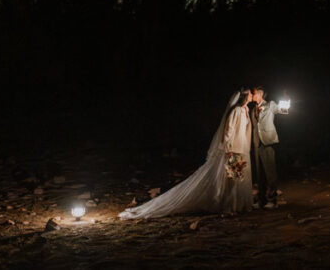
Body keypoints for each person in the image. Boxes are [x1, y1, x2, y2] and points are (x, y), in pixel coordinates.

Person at [118, 89, 253, 219]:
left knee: (237, 178)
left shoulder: (245, 110)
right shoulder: (236, 111)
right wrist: (228, 149)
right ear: (245, 98)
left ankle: (238, 205)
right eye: (250, 95)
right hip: (234, 149)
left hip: (241, 148)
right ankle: (230, 206)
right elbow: (228, 130)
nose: (252, 96)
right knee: (233, 179)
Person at [250, 86, 283, 209]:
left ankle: (272, 200)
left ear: (259, 94)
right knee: (260, 174)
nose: (252, 96)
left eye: (253, 93)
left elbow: (283, 110)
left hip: (268, 142)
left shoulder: (270, 105)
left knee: (270, 172)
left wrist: (286, 101)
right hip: (257, 143)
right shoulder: (253, 109)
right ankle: (261, 199)